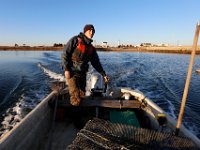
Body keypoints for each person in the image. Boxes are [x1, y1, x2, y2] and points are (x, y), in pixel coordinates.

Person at [61, 24, 109, 106]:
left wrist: (103, 75)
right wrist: (66, 69)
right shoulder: (75, 40)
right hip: (72, 73)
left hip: (82, 74)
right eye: (90, 30)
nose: (92, 32)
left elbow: (96, 63)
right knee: (75, 97)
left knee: (82, 94)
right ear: (85, 31)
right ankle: (73, 116)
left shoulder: (91, 48)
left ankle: (81, 112)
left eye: (93, 31)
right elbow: (65, 54)